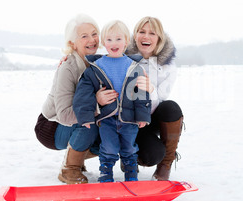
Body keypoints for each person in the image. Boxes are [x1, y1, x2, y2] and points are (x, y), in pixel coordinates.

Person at [97, 16, 183, 181]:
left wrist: (150, 90)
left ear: (159, 38)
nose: (146, 36)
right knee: (144, 151)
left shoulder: (168, 67)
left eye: (152, 33)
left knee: (171, 108)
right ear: (134, 36)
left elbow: (162, 97)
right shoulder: (120, 56)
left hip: (148, 119)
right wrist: (69, 59)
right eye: (141, 32)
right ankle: (127, 159)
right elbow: (97, 65)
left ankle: (165, 165)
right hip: (123, 118)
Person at [73, 20, 151, 182]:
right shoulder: (95, 67)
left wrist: (143, 116)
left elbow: (140, 94)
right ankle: (106, 173)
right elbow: (83, 95)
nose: (113, 43)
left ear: (126, 42)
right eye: (109, 40)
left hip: (129, 118)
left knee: (129, 147)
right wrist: (86, 116)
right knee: (109, 147)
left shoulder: (134, 66)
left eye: (118, 39)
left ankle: (131, 173)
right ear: (103, 42)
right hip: (107, 118)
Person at [34, 14, 101, 184]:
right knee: (89, 123)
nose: (92, 39)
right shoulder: (67, 68)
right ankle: (69, 170)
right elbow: (64, 115)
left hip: (76, 121)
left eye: (94, 33)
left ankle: (76, 159)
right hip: (52, 126)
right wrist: (97, 106)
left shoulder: (98, 63)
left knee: (112, 131)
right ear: (72, 43)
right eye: (84, 36)